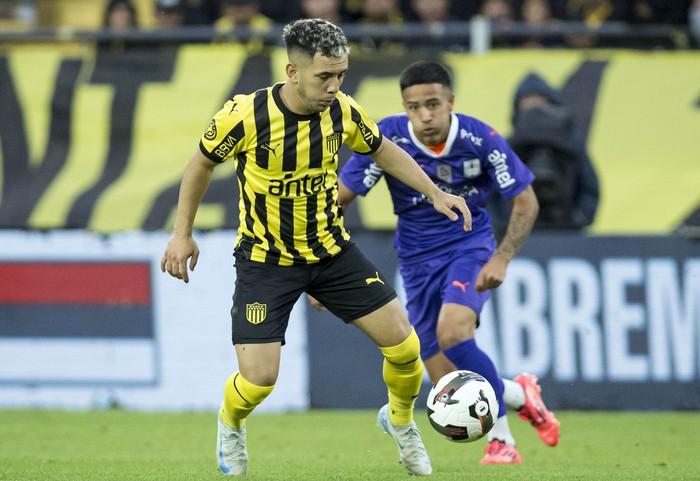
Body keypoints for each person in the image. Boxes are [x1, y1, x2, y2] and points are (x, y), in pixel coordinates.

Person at [160, 19, 472, 477]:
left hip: (331, 253)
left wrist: (435, 192)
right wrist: (181, 232)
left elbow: (382, 150)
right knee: (260, 379)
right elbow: (201, 164)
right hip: (267, 261)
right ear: (292, 71)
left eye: (340, 75)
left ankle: (401, 423)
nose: (334, 86)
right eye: (324, 77)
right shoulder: (246, 115)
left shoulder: (343, 111)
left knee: (406, 348)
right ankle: (230, 422)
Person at [336, 61, 560, 464]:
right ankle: (520, 394)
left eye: (433, 104)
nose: (424, 116)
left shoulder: (480, 138)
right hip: (415, 257)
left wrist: (502, 258)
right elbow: (339, 198)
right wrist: (325, 262)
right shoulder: (387, 137)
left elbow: (525, 201)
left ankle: (503, 442)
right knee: (445, 379)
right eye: (414, 107)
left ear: (451, 102)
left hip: (469, 245)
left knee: (454, 333)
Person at [502, 71, 600, 231]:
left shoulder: (572, 143)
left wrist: (579, 218)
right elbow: (490, 192)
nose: (533, 107)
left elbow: (589, 186)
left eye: (538, 101)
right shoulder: (509, 146)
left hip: (566, 230)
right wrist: (503, 223)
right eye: (528, 101)